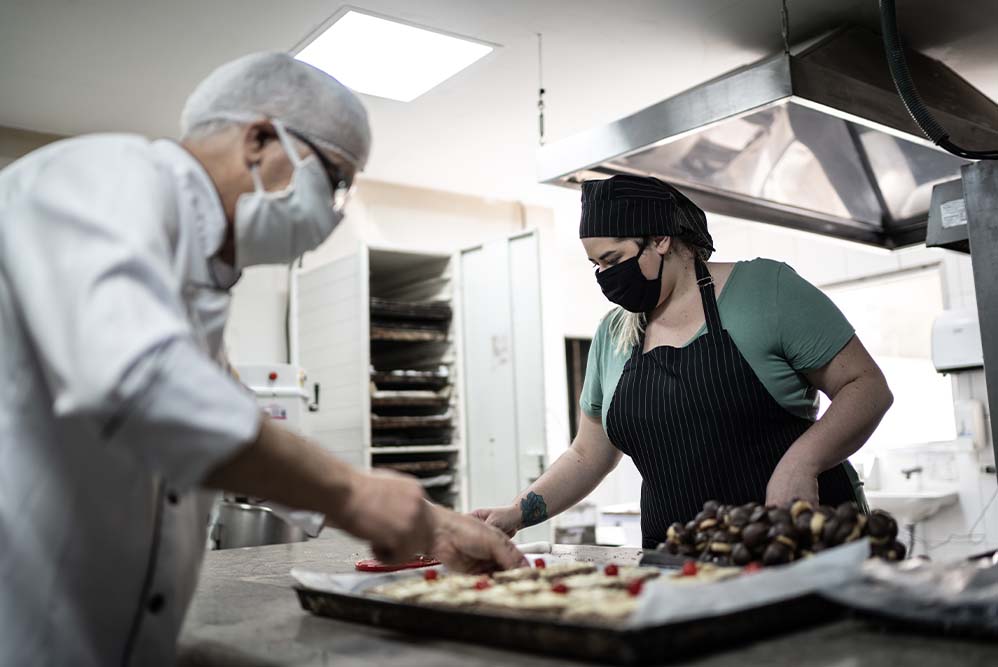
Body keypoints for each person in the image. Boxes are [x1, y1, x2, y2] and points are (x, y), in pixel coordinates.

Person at [0, 52, 524, 666]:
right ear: (258, 138)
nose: (332, 212)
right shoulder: (99, 177)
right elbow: (142, 385)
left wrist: (435, 524)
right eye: (333, 181)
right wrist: (353, 493)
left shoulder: (197, 283)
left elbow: (233, 432)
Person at [474, 174, 893, 548]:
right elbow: (588, 454)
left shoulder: (766, 290)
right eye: (596, 265)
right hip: (680, 559)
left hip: (800, 544)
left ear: (661, 239)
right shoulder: (612, 335)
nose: (604, 276)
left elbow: (866, 387)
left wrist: (803, 462)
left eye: (613, 259)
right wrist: (517, 513)